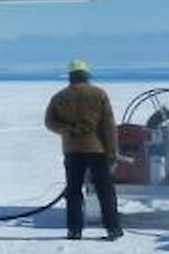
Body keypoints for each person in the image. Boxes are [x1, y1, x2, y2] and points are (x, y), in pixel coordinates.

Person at [44, 60, 122, 240]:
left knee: (73, 191)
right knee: (105, 191)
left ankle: (74, 230)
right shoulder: (99, 94)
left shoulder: (59, 97)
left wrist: (68, 130)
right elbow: (109, 125)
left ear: (70, 76)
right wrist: (112, 151)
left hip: (72, 151)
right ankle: (113, 229)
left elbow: (50, 122)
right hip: (98, 150)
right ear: (87, 75)